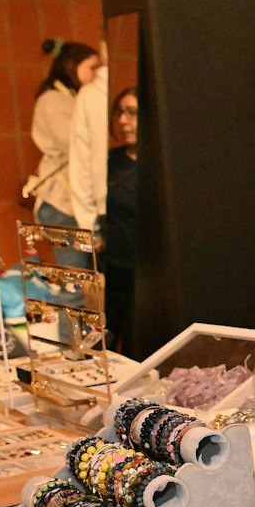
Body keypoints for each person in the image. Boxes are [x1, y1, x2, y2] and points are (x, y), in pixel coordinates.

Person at [24, 39, 105, 234]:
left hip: (74, 201)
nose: (99, 73)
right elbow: (76, 145)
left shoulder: (73, 98)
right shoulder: (53, 101)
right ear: (72, 67)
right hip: (61, 204)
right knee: (75, 266)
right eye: (93, 67)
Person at [102, 87, 140, 353]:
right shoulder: (109, 162)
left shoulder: (165, 164)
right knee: (102, 348)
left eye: (133, 113)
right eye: (120, 113)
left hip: (148, 277)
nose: (123, 121)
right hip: (113, 273)